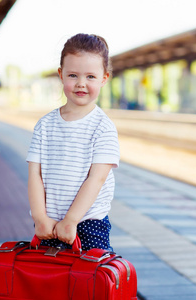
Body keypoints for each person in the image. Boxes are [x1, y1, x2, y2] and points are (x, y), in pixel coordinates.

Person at [26, 33, 120, 251]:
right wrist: (40, 217)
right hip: (48, 225)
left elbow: (96, 180)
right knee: (49, 282)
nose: (81, 84)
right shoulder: (45, 125)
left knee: (90, 282)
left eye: (90, 77)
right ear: (61, 75)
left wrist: (71, 219)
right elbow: (34, 174)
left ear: (104, 78)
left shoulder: (103, 128)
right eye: (73, 75)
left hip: (89, 224)